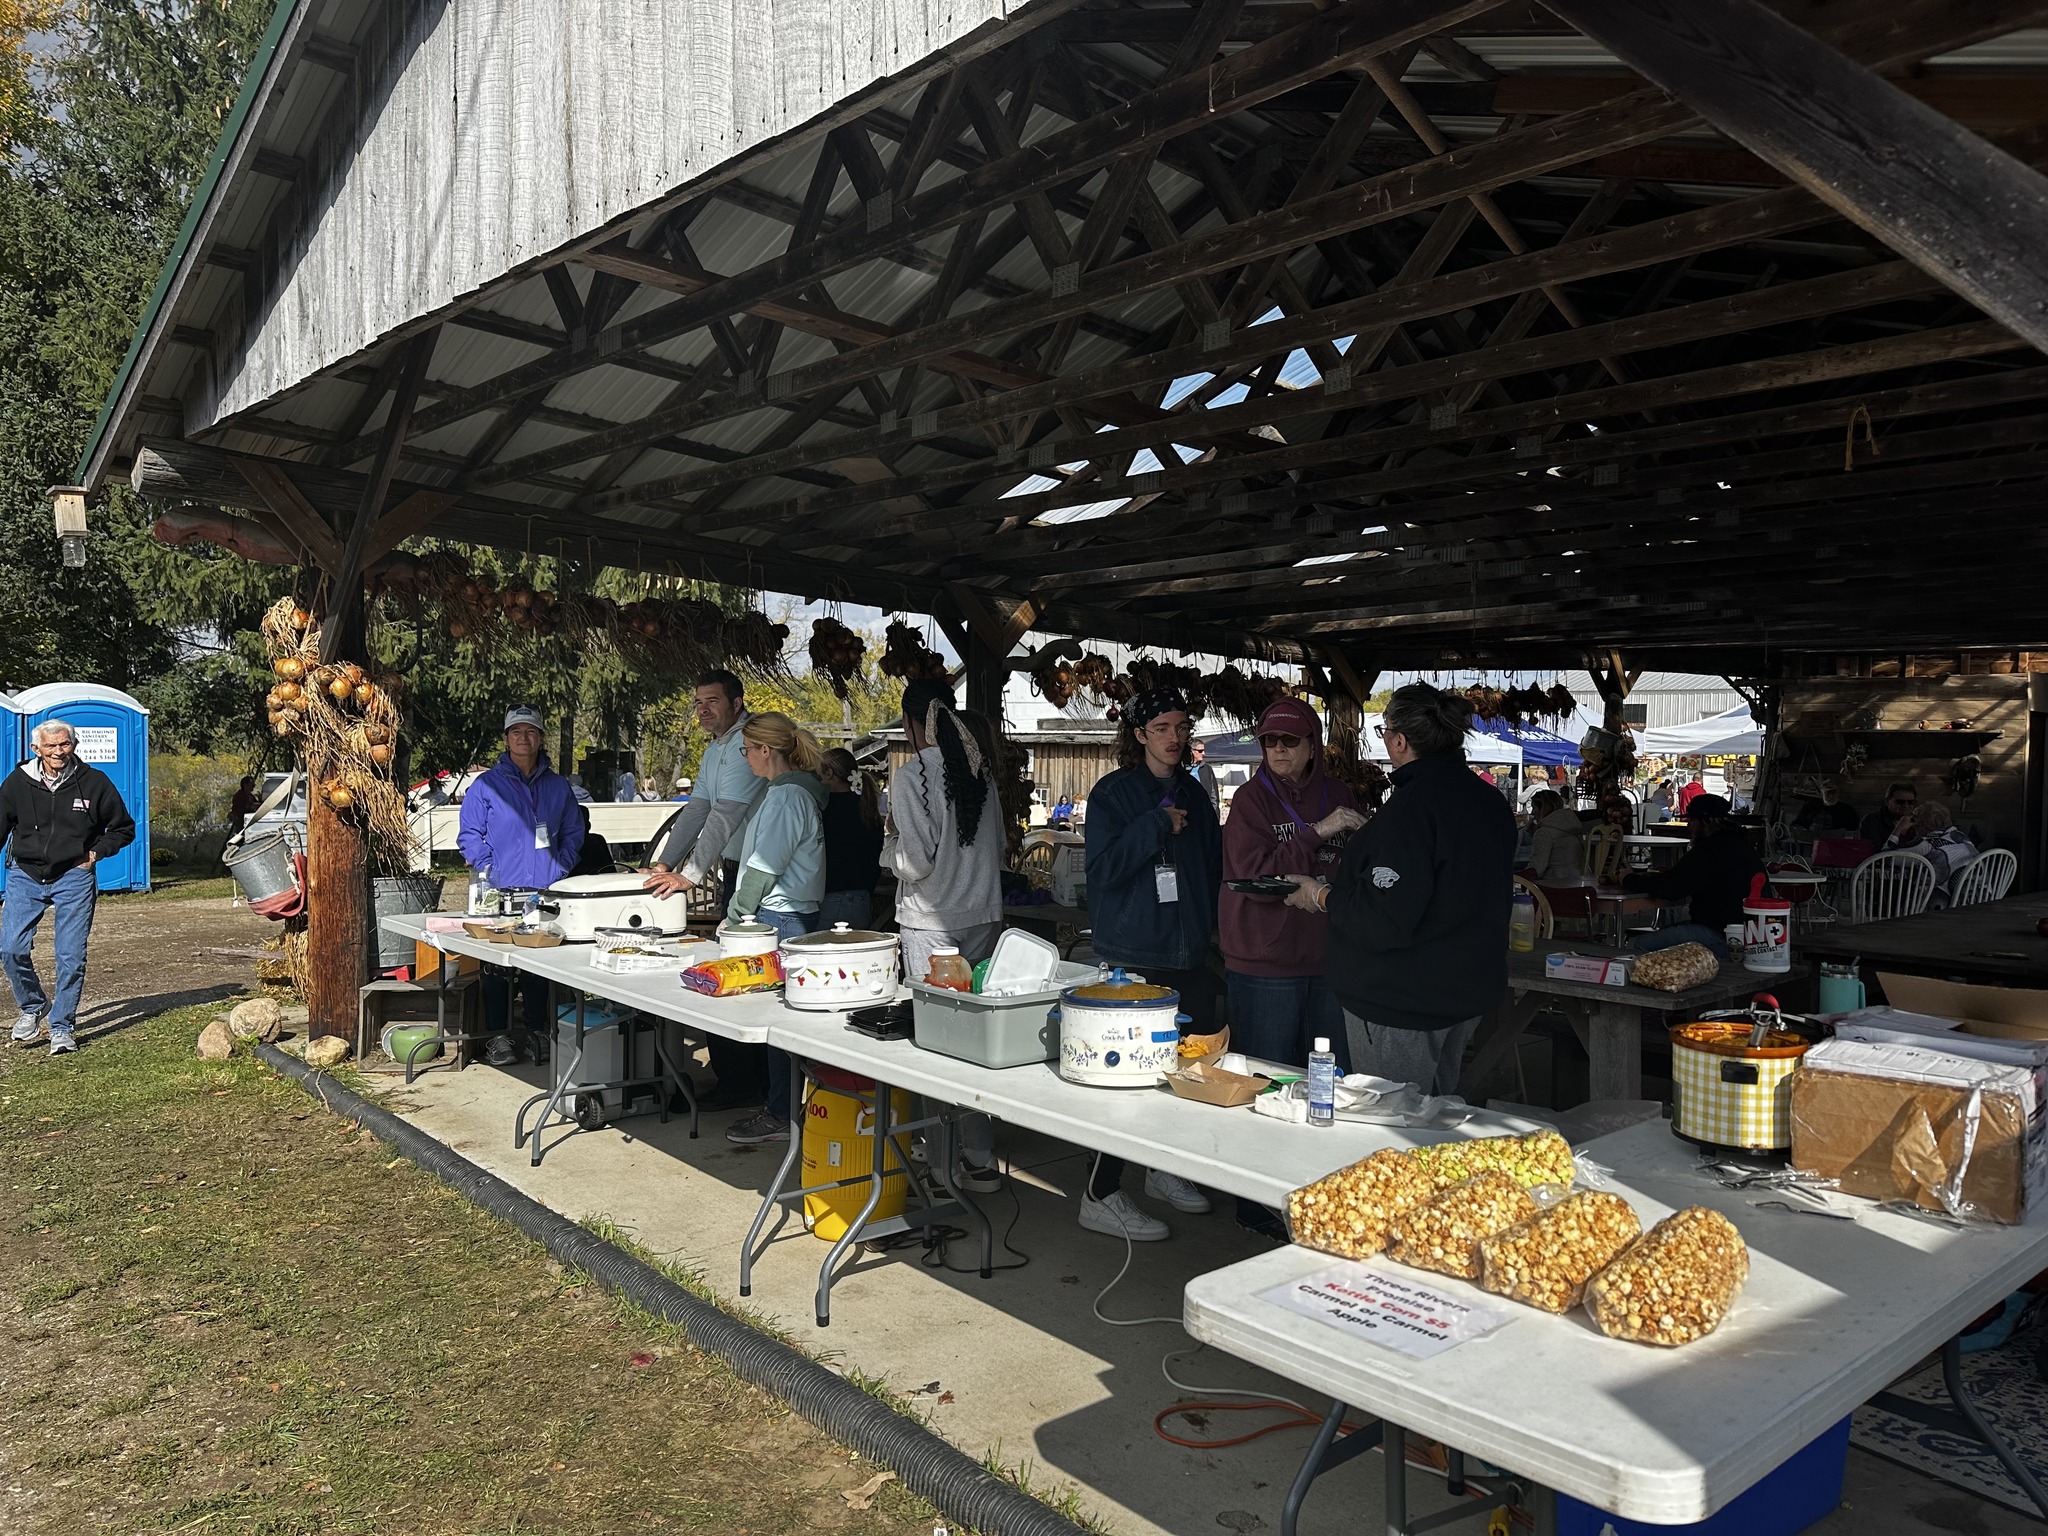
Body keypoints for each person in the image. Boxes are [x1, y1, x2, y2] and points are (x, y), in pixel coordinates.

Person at [1290, 684, 1514, 1096]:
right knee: (1434, 1118)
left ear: (1398, 741)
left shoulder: (1412, 809)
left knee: (1395, 1122)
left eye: (1385, 731)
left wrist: (1319, 895)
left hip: (1403, 1000)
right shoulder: (1488, 801)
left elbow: (1381, 919)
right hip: (1463, 992)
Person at [1078, 687, 1221, 1241]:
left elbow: (1212, 863)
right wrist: (1157, 824)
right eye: (1162, 727)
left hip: (1189, 950)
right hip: (1134, 954)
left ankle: (1167, 1169)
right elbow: (1104, 869)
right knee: (1127, 1077)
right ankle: (1100, 1191)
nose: (1175, 737)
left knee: (1192, 1067)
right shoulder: (1113, 794)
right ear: (1139, 736)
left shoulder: (1196, 790)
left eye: (1182, 727)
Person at [885, 681, 1006, 1188]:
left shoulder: (912, 777)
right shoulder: (980, 773)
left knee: (935, 1047)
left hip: (932, 927)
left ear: (914, 724)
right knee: (972, 1044)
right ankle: (980, 1159)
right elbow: (998, 843)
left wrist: (888, 843)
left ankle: (940, 1169)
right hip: (982, 917)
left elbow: (914, 863)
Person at [646, 671, 768, 1110]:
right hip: (735, 869)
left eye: (712, 701)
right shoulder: (716, 747)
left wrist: (690, 874)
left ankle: (746, 1088)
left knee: (741, 978)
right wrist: (664, 862)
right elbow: (697, 808)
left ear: (737, 703)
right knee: (733, 974)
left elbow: (727, 814)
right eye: (698, 701)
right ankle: (741, 1084)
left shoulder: (746, 743)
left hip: (761, 874)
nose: (703, 709)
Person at [721, 713, 830, 1146]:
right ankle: (786, 1107)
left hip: (779, 917)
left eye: (747, 750)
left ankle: (781, 1113)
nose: (746, 758)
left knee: (776, 1025)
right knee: (784, 1021)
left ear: (766, 750)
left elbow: (765, 865)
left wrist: (737, 915)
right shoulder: (794, 793)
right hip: (792, 915)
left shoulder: (787, 798)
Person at [455, 706, 584, 1064]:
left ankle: (536, 1032)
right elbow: (469, 834)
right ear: (507, 739)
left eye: (530, 732)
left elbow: (575, 831)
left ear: (541, 738)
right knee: (496, 967)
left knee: (538, 965)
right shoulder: (486, 786)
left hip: (545, 890)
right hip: (499, 891)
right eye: (516, 732)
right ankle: (499, 1036)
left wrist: (563, 864)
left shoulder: (558, 787)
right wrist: (488, 866)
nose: (523, 738)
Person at [1, 720, 136, 1054]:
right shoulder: (18, 782)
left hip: (74, 876)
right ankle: (33, 1006)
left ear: (73, 744)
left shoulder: (94, 783)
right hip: (25, 874)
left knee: (70, 956)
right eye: (51, 746)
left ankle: (61, 1026)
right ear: (37, 749)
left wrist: (95, 853)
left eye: (65, 744)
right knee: (11, 948)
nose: (59, 752)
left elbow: (123, 828)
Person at [1618, 793, 1762, 956]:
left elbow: (1672, 888)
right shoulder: (1740, 846)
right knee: (1664, 934)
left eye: (1692, 821)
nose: (1689, 827)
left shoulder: (1709, 850)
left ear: (1706, 822)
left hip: (1720, 934)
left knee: (1642, 944)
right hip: (1751, 934)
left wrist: (1629, 879)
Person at [818, 748, 883, 929]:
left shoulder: (824, 809)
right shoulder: (867, 808)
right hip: (861, 897)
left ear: (829, 773)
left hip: (832, 895)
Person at [1884, 800, 1978, 908]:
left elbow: (1884, 858)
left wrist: (1899, 828)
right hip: (1978, 901)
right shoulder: (1960, 836)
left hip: (1939, 908)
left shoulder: (1927, 843)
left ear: (1922, 824)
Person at [1525, 789, 1586, 884]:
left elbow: (1537, 868)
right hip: (1576, 883)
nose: (1533, 812)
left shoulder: (1544, 832)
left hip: (1552, 886)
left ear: (1543, 809)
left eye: (1534, 808)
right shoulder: (1572, 826)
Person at [1860, 780, 1917, 848]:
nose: (1906, 805)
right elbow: (1874, 850)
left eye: (1911, 802)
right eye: (1900, 802)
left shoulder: (1919, 820)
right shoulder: (1872, 820)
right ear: (1887, 801)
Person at [1791, 778, 1860, 834]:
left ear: (1837, 793)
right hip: (1811, 839)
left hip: (1833, 842)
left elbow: (1853, 829)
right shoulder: (1809, 807)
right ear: (1822, 792)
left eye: (1833, 792)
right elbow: (1796, 824)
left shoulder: (1847, 810)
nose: (1830, 796)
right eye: (1827, 792)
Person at [1192, 737, 1222, 814]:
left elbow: (1213, 795)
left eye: (1203, 750)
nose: (1203, 753)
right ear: (1191, 751)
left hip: (1205, 814)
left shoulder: (1206, 769)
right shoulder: (1180, 770)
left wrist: (1214, 814)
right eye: (1200, 751)